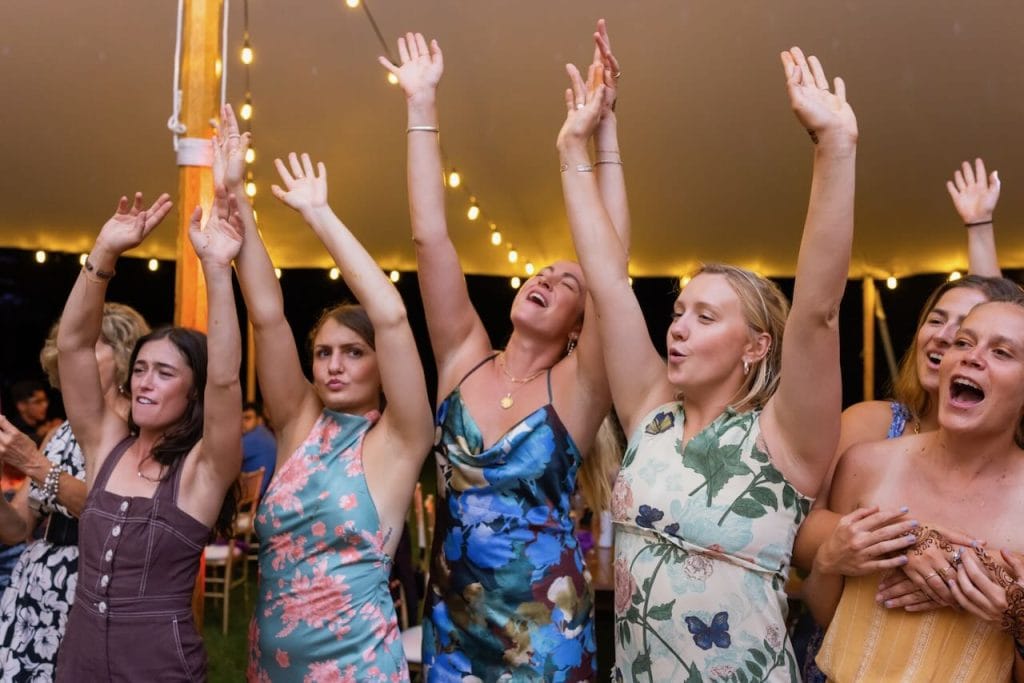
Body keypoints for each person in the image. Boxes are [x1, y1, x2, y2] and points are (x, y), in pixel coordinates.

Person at [558, 46, 856, 679]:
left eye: (706, 317)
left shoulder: (785, 439)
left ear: (756, 346)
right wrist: (571, 152)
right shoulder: (650, 413)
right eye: (679, 312)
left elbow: (818, 311)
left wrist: (834, 147)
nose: (678, 329)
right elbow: (609, 284)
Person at [381, 22, 628, 680]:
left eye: (566, 280)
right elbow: (430, 236)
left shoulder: (578, 390)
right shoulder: (464, 355)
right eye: (540, 272)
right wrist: (421, 103)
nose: (546, 278)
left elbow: (612, 271)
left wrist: (603, 133)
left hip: (545, 636)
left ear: (580, 322)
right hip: (452, 629)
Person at [210, 105, 434, 681]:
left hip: (358, 669)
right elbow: (266, 315)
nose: (334, 366)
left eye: (353, 353)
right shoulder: (297, 423)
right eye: (324, 353)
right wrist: (237, 195)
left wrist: (319, 215)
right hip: (270, 665)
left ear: (383, 368)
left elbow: (390, 316)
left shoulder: (401, 438)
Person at [790, 158, 1019, 681]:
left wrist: (980, 230)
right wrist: (908, 544)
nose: (952, 341)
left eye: (964, 331)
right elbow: (803, 533)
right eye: (939, 323)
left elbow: (1005, 327)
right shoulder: (873, 439)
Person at [54, 190, 243, 681]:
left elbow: (225, 379)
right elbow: (73, 346)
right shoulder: (105, 443)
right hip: (80, 660)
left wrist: (218, 272)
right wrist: (104, 252)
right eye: (140, 369)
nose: (144, 381)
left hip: (159, 667)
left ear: (194, 391)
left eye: (163, 373)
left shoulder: (203, 470)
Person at [803, 297, 1024, 681]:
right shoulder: (866, 464)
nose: (971, 357)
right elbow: (829, 616)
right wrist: (827, 563)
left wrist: (1019, 620)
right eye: (963, 342)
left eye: (1002, 352)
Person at [0, 302, 148, 681]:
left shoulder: (140, 430)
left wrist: (34, 463)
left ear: (124, 354)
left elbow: (115, 513)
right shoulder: (59, 432)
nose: (74, 357)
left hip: (94, 588)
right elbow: (16, 529)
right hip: (37, 587)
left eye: (90, 345)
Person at [241, 401, 275, 498]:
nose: (242, 423)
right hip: (261, 496)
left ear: (259, 420)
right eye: (241, 418)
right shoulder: (266, 433)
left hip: (249, 498)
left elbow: (225, 459)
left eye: (247, 418)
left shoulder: (255, 436)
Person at [9, 380, 55, 447]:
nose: (45, 405)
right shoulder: (13, 429)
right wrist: (42, 435)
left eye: (45, 400)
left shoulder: (44, 420)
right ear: (22, 406)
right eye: (38, 402)